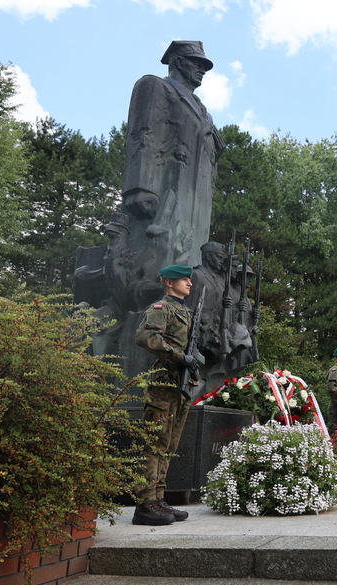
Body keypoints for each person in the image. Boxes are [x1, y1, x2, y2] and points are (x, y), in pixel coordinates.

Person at [122, 40, 224, 309]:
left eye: (204, 66)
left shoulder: (203, 111)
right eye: (197, 64)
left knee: (190, 253)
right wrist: (138, 186)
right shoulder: (155, 85)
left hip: (196, 196)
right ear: (179, 62)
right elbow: (142, 133)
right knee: (162, 250)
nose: (203, 71)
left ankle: (180, 312)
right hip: (167, 187)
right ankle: (152, 309)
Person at [132, 264, 201, 525]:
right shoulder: (161, 308)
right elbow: (145, 337)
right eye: (184, 279)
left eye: (189, 279)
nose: (189, 283)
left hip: (181, 386)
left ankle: (159, 499)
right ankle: (145, 504)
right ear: (168, 282)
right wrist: (179, 356)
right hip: (164, 384)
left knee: (169, 446)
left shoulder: (185, 310)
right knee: (155, 444)